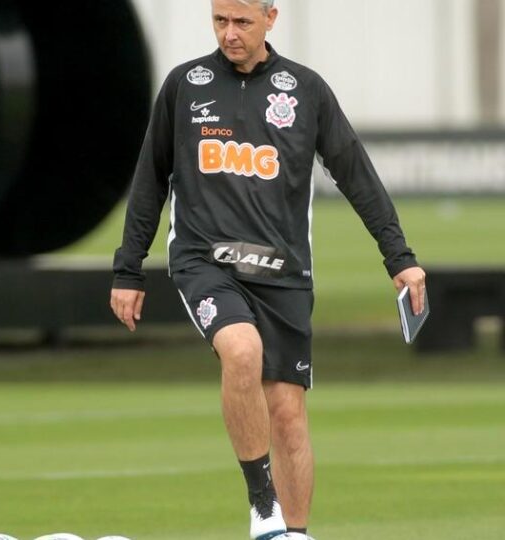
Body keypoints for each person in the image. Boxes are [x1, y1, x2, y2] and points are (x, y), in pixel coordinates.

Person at [109, 1, 427, 539]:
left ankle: (293, 535)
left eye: (242, 22)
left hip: (284, 273)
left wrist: (400, 259)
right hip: (205, 263)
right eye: (219, 21)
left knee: (287, 414)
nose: (229, 34)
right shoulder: (185, 86)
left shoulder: (306, 90)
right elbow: (149, 179)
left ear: (271, 18)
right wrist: (128, 269)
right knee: (241, 350)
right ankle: (263, 504)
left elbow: (355, 172)